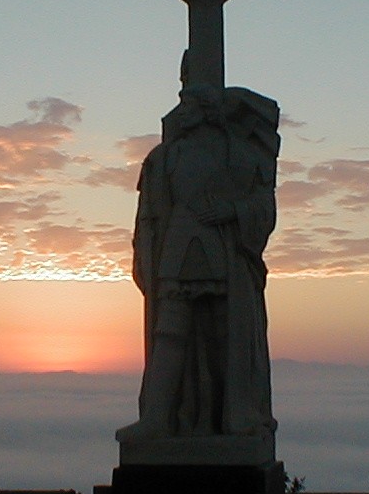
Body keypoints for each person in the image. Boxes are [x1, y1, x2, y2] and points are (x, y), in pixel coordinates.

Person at [116, 82, 280, 442]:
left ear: (206, 108)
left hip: (221, 254)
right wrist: (145, 255)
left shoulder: (239, 155)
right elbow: (149, 214)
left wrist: (231, 210)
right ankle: (158, 418)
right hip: (176, 253)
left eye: (187, 101)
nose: (180, 108)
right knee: (169, 335)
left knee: (226, 336)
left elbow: (263, 207)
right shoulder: (164, 157)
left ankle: (233, 415)